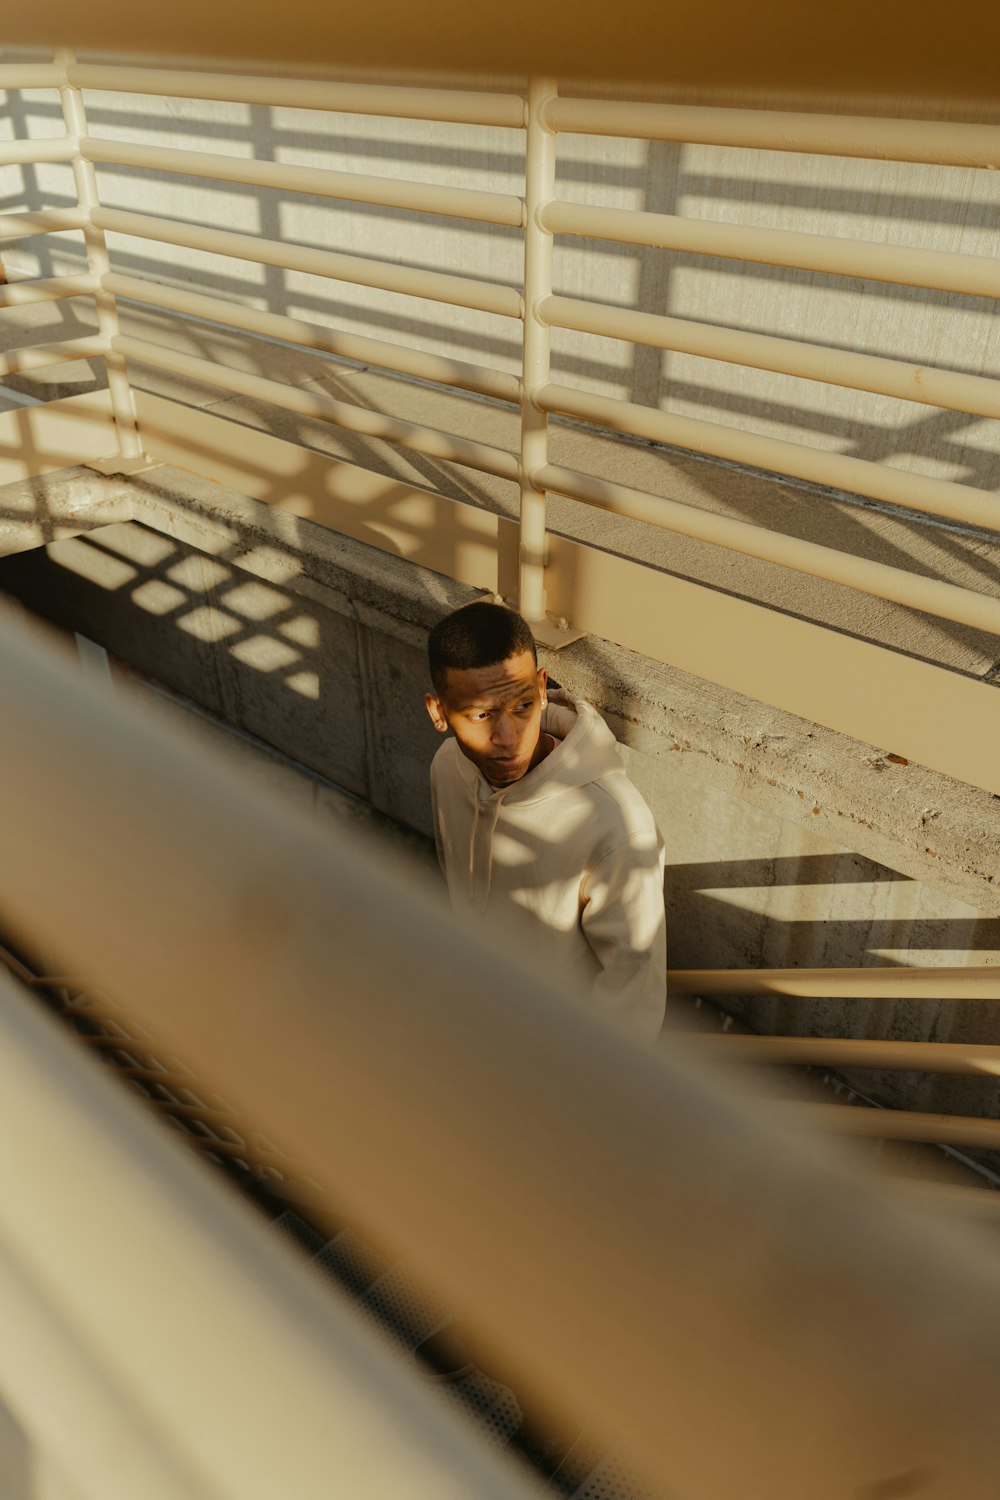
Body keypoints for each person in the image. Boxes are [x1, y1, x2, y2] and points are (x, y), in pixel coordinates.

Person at [424, 599, 666, 1041]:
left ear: (541, 687)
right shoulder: (447, 767)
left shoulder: (615, 824)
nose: (508, 738)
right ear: (439, 712)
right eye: (481, 715)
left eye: (522, 705)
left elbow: (633, 997)